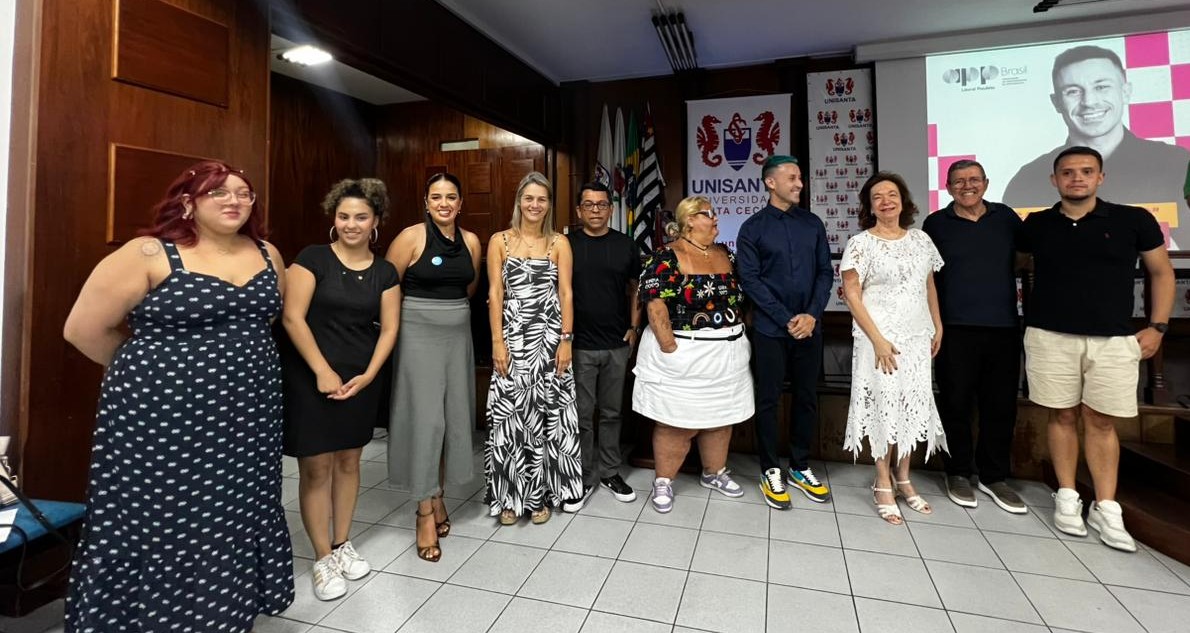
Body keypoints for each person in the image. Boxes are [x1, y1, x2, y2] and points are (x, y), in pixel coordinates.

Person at [62, 161, 293, 630]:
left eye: (243, 193)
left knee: (234, 510)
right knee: (167, 517)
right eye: (218, 192)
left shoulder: (267, 253)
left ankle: (225, 611)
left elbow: (262, 322)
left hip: (249, 415)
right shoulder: (148, 253)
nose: (233, 200)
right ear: (188, 203)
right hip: (163, 418)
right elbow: (83, 330)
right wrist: (156, 376)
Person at [1018, 146, 1175, 552]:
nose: (1077, 178)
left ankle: (1106, 506)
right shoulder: (1037, 224)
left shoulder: (1133, 220)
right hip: (1050, 336)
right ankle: (1067, 495)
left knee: (1101, 421)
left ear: (1100, 177)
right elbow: (1012, 264)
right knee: (1061, 415)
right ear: (1054, 180)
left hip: (1113, 339)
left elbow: (1161, 272)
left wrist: (1158, 327)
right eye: (1068, 172)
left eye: (1086, 171)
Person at [279, 178, 399, 598]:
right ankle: (322, 558)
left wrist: (369, 375)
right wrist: (321, 371)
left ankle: (342, 543)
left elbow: (389, 329)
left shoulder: (385, 272)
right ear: (334, 218)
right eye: (344, 216)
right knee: (316, 468)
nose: (351, 224)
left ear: (376, 221)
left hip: (359, 379)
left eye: (361, 217)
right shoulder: (312, 259)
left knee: (349, 461)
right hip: (312, 377)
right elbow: (292, 317)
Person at [1003, 45, 1189, 249]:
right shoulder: (1026, 179)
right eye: (1073, 91)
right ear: (1056, 102)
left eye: (1101, 87)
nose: (1089, 102)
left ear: (1126, 92)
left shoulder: (1177, 164)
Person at [635, 196, 753, 514]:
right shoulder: (665, 256)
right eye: (708, 214)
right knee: (676, 421)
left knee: (721, 418)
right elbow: (654, 303)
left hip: (727, 353)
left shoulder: (725, 253)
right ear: (689, 220)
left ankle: (714, 472)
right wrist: (670, 347)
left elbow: (742, 298)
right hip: (683, 352)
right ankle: (664, 481)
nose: (715, 219)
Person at [840, 172, 947, 526]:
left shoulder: (921, 240)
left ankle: (904, 477)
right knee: (884, 406)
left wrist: (937, 324)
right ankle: (882, 480)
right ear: (869, 207)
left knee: (911, 405)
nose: (886, 201)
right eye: (878, 197)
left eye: (892, 195)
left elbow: (928, 285)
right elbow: (852, 295)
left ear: (903, 201)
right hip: (879, 340)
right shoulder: (861, 244)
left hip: (916, 338)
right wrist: (878, 340)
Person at [385, 172, 482, 561]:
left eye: (451, 197)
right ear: (426, 202)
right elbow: (387, 287)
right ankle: (423, 511)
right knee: (426, 423)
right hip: (417, 334)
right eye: (436, 197)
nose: (444, 203)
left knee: (451, 419)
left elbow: (469, 288)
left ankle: (438, 494)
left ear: (460, 203)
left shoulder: (471, 241)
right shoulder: (410, 237)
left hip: (457, 335)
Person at [922, 160, 1026, 513]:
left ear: (986, 183)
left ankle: (994, 477)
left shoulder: (1006, 218)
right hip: (953, 329)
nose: (967, 186)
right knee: (955, 404)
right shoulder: (936, 224)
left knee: (1000, 406)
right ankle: (958, 472)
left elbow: (1023, 259)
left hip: (1003, 327)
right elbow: (928, 277)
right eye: (959, 181)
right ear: (948, 187)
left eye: (974, 180)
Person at [485, 171, 583, 525]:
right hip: (512, 339)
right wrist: (497, 342)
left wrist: (566, 341)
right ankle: (509, 498)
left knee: (546, 415)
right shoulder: (499, 241)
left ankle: (539, 495)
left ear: (549, 204)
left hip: (549, 340)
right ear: (519, 202)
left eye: (542, 199)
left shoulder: (559, 243)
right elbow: (495, 293)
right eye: (529, 198)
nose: (535, 205)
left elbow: (566, 294)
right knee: (510, 416)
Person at [737, 155, 833, 511]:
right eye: (792, 178)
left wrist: (811, 315)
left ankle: (799, 466)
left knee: (806, 397)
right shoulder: (752, 228)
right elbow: (750, 280)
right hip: (769, 330)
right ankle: (769, 469)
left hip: (810, 328)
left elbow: (825, 272)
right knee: (768, 399)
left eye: (800, 178)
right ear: (770, 182)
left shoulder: (812, 223)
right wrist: (786, 318)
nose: (799, 184)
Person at [562, 182, 641, 513]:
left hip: (616, 344)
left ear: (611, 209)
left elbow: (636, 288)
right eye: (588, 204)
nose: (595, 210)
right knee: (581, 415)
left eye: (601, 204)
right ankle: (581, 476)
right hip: (578, 345)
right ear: (578, 210)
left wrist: (634, 327)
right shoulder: (566, 245)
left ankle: (609, 472)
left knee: (611, 413)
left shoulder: (626, 245)